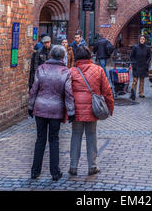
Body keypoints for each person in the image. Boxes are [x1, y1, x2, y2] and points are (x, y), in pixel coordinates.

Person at [28, 45, 75, 181]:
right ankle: (55, 172)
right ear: (62, 57)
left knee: (40, 139)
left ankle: (35, 171)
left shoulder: (41, 69)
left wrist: (30, 107)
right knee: (54, 140)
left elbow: (34, 90)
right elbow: (69, 94)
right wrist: (71, 112)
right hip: (56, 110)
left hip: (40, 108)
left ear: (50, 55)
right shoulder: (65, 72)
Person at [69, 45, 114, 176]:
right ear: (90, 56)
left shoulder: (72, 71)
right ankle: (92, 166)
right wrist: (110, 108)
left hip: (77, 109)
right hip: (93, 109)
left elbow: (67, 92)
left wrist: (67, 111)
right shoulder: (98, 70)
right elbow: (107, 91)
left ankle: (73, 166)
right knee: (91, 136)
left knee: (75, 136)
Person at [130, 34, 152, 99]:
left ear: (145, 40)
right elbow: (131, 56)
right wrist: (134, 63)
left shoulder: (147, 48)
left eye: (143, 39)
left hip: (143, 66)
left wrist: (147, 63)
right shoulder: (135, 47)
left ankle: (141, 93)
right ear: (139, 40)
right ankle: (133, 93)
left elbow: (149, 57)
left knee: (142, 80)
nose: (142, 40)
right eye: (141, 39)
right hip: (136, 65)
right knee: (135, 81)